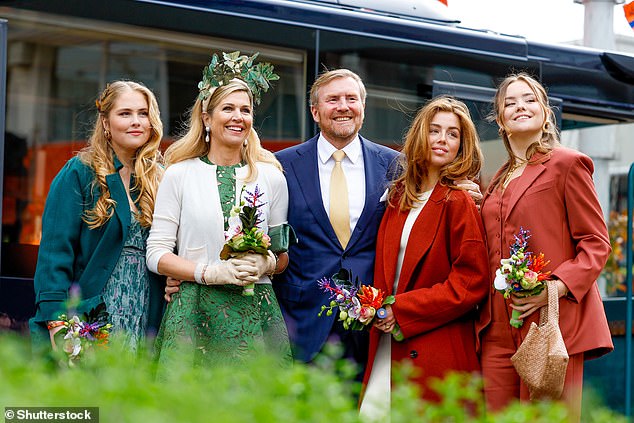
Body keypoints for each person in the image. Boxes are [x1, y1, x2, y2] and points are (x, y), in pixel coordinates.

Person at [274, 69, 483, 370]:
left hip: (373, 325)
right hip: (303, 319)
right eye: (333, 99)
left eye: (351, 98)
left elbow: (432, 204)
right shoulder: (282, 165)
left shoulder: (397, 168)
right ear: (315, 111)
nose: (343, 106)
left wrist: (463, 190)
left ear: (363, 108)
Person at [476, 73, 614, 419]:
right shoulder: (497, 178)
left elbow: (596, 243)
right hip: (495, 325)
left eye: (529, 99)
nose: (519, 106)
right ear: (501, 123)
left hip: (550, 323)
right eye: (509, 102)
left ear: (545, 114)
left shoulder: (568, 164)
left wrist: (556, 287)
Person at [146, 52, 292, 367]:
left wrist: (265, 263)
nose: (238, 116)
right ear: (208, 118)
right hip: (193, 313)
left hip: (255, 314)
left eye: (245, 110)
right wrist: (208, 272)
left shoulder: (272, 177)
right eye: (228, 108)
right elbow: (156, 254)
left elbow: (282, 256)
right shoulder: (179, 173)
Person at [359, 96, 489, 417]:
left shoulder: (458, 199)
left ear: (462, 145)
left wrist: (400, 310)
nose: (442, 140)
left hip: (436, 349)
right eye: (435, 131)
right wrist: (372, 305)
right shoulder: (400, 195)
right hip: (387, 343)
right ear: (421, 135)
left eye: (452, 134)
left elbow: (471, 282)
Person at [29, 80, 166, 352]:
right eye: (125, 113)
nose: (136, 121)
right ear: (105, 122)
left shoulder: (160, 178)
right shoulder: (79, 172)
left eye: (143, 113)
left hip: (146, 311)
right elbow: (54, 256)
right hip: (91, 314)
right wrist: (58, 324)